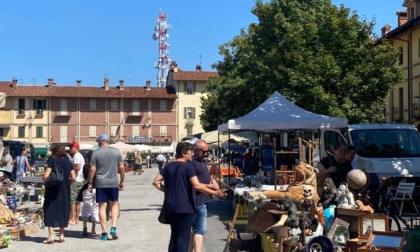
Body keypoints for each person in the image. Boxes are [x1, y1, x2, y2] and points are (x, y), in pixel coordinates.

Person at [152, 142, 226, 252]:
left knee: (174, 235)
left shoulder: (169, 166)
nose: (191, 154)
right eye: (190, 152)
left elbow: (156, 182)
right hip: (185, 207)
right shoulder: (188, 166)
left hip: (170, 206)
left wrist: (168, 191)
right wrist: (215, 193)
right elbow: (196, 185)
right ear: (183, 153)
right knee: (183, 238)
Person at [87, 134, 125, 241]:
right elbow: (122, 167)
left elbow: (92, 169)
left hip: (100, 183)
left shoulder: (96, 153)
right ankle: (113, 227)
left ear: (100, 142)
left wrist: (90, 182)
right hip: (113, 182)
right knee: (114, 204)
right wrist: (122, 181)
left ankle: (104, 232)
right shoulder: (116, 152)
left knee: (102, 207)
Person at [189, 140, 219, 252]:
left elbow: (204, 177)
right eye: (204, 151)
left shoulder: (201, 161)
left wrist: (212, 180)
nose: (206, 154)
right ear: (195, 150)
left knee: (195, 229)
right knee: (200, 230)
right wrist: (214, 192)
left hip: (202, 199)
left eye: (208, 151)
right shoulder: (191, 162)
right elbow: (193, 183)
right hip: (198, 200)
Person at [42, 146, 76, 244]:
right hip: (64, 190)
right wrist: (67, 184)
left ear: (55, 153)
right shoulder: (68, 162)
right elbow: (73, 177)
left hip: (52, 190)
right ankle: (61, 236)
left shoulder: (53, 161)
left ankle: (51, 236)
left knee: (50, 210)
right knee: (62, 210)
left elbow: (46, 175)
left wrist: (44, 181)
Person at [78, 150, 98, 237]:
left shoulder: (85, 166)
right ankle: (93, 229)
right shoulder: (98, 166)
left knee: (85, 208)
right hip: (97, 188)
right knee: (95, 209)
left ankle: (84, 226)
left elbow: (84, 176)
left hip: (86, 188)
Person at [69, 141, 85, 225]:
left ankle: (72, 218)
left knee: (72, 201)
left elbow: (77, 167)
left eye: (71, 147)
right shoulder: (81, 156)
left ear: (76, 148)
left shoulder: (76, 156)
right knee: (78, 201)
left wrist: (70, 169)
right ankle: (77, 218)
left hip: (75, 180)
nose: (70, 149)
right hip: (80, 180)